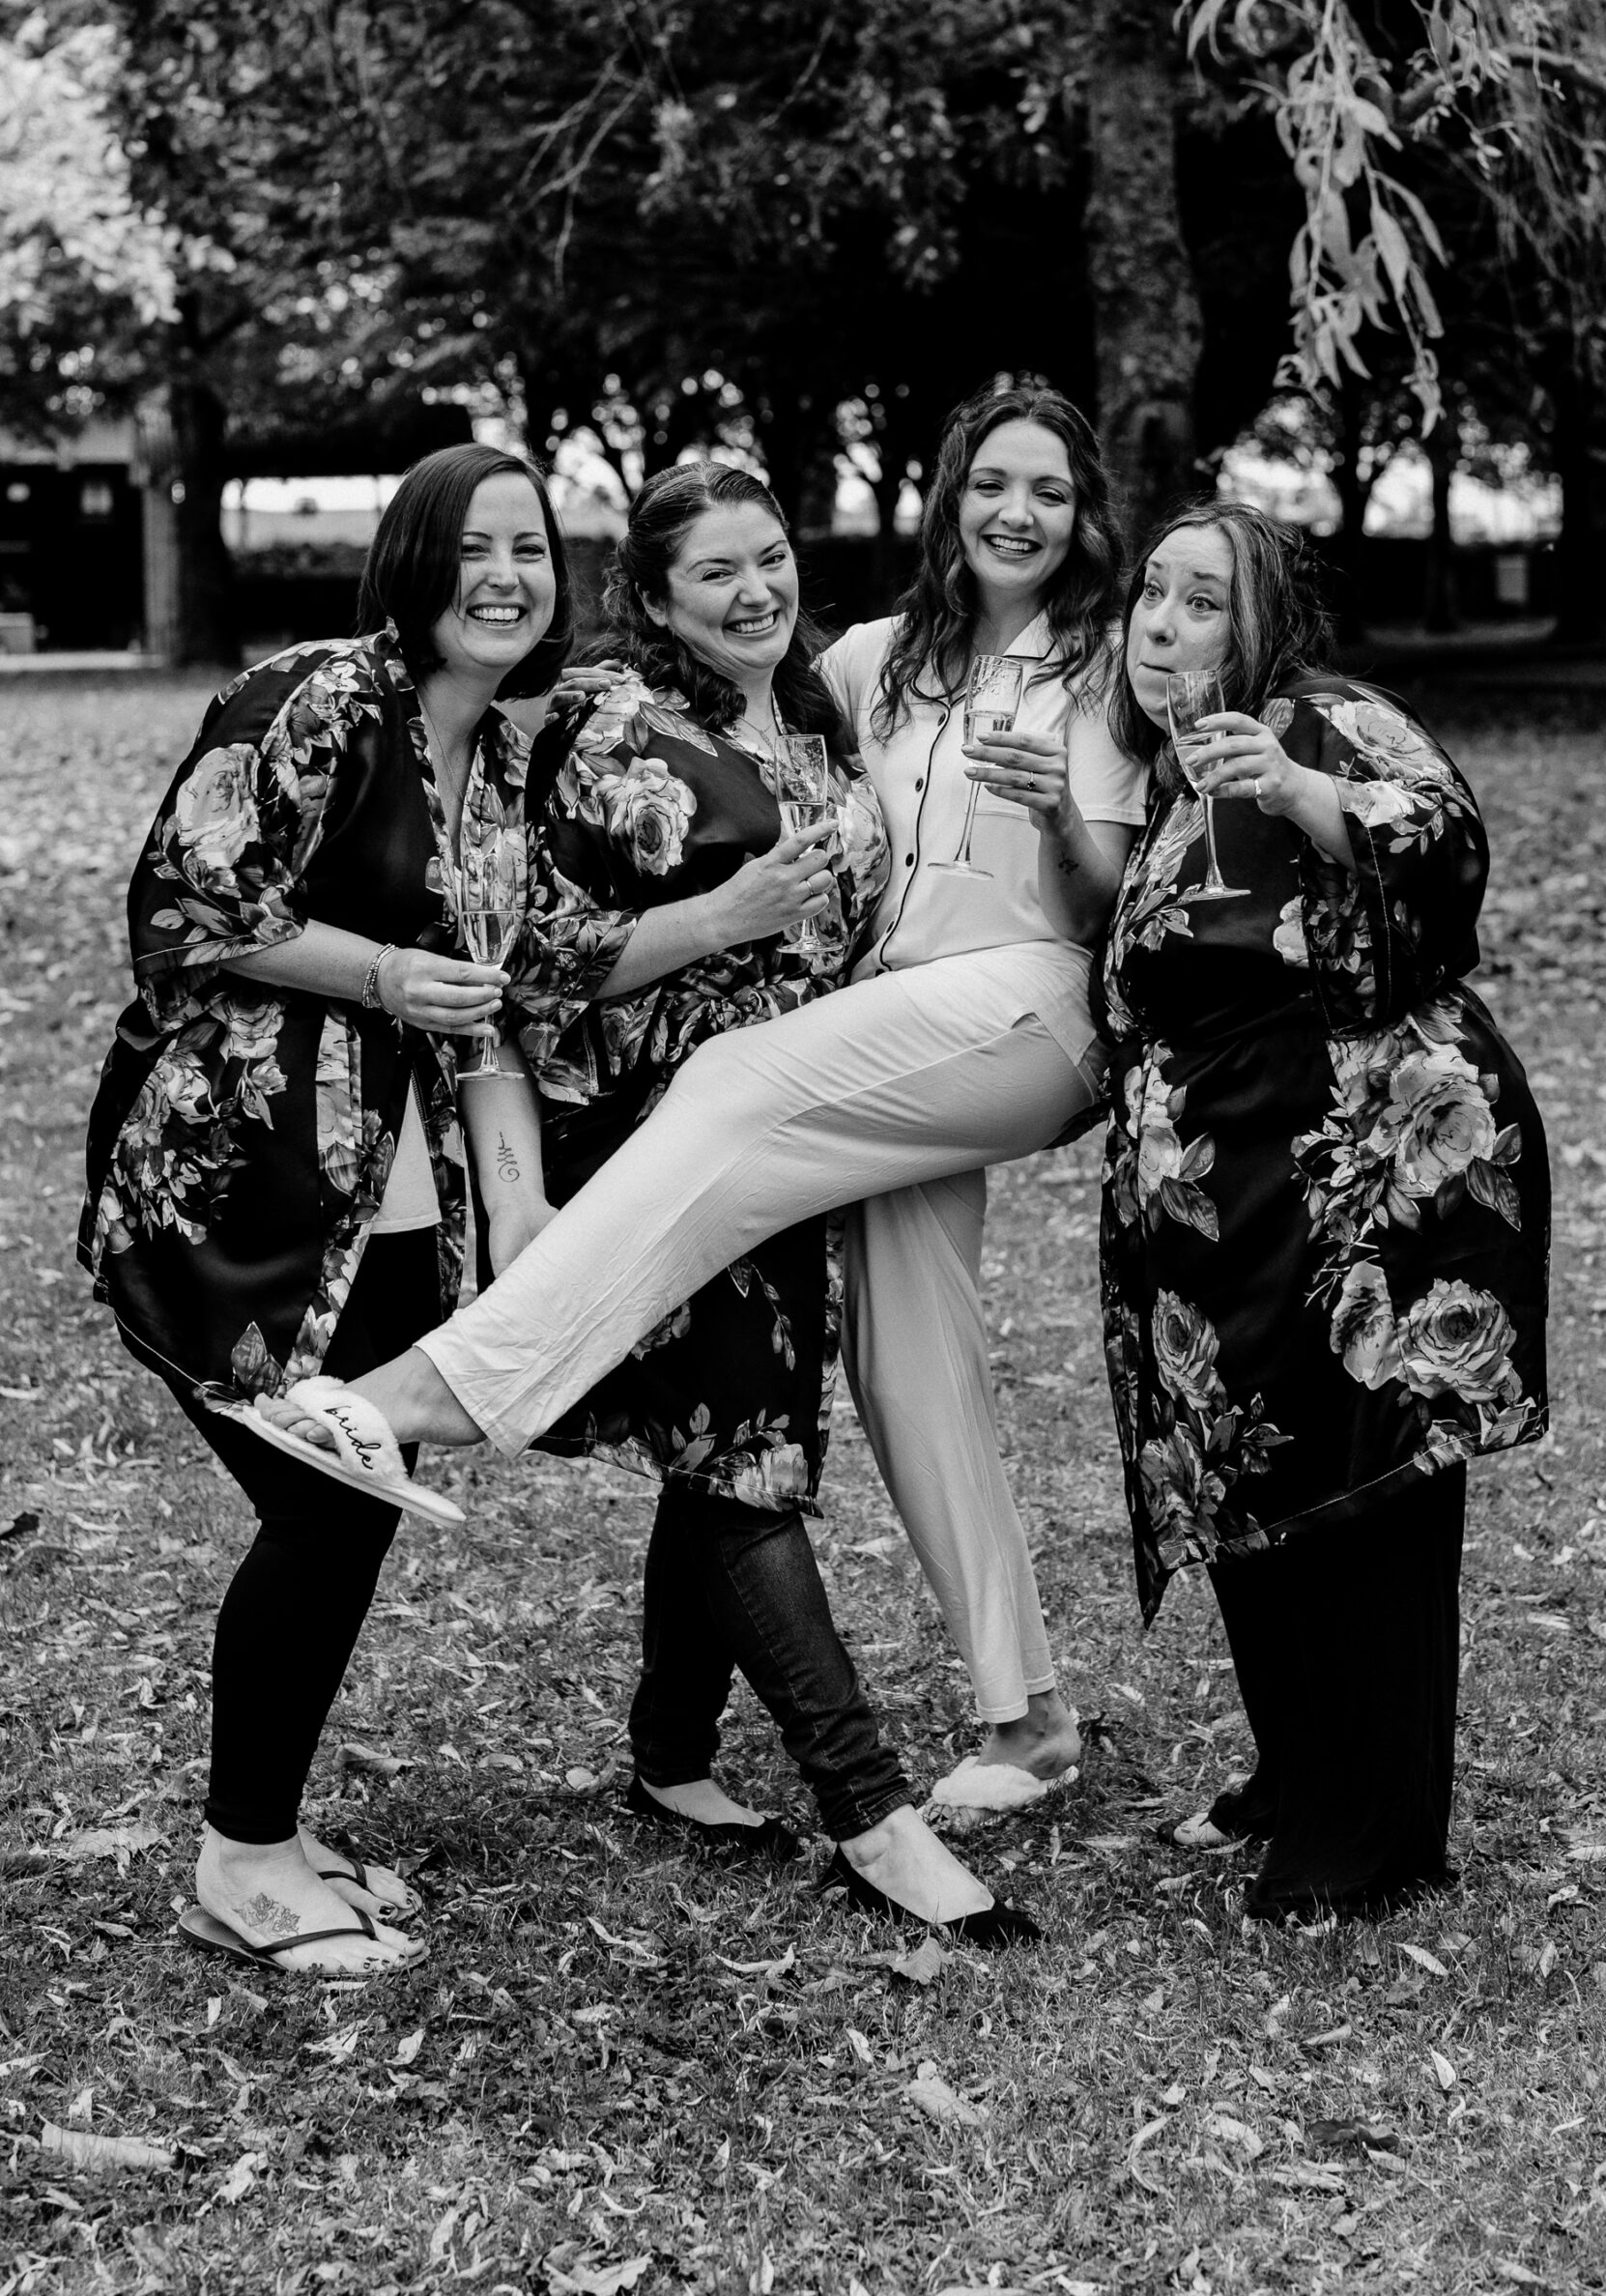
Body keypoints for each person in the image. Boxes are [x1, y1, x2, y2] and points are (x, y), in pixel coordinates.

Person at [256, 382, 1147, 1838]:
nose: (1019, 514)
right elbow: (638, 749)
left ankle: (441, 1387)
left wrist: (1061, 811)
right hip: (883, 1050)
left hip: (1023, 1008)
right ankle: (1024, 1715)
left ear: (1086, 512)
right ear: (946, 499)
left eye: (1050, 490)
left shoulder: (1110, 667)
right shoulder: (865, 665)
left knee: (735, 1084)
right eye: (993, 483)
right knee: (911, 1358)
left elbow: (1121, 902)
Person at [467, 460, 1029, 1942]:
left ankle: (667, 1756)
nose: (755, 591)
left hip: (805, 1137)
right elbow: (530, 959)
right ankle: (872, 1813)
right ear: (653, 599)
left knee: (732, 1439)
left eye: (769, 558)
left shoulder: (821, 720)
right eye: (714, 573)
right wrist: (720, 916)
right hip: (668, 1137)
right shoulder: (611, 727)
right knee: (742, 1461)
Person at [78, 443, 569, 1975]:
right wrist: (379, 975)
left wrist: (526, 1208)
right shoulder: (314, 696)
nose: (506, 576)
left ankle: (275, 1833)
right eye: (477, 545)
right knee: (322, 1505)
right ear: (416, 558)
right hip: (240, 1187)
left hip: (399, 1201)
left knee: (349, 1516)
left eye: (533, 552)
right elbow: (183, 898)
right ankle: (239, 1855)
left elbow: (492, 1001)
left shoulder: (498, 756)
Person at [1092, 500, 1549, 1920]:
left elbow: (1445, 847)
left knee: (1359, 1493)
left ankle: (1368, 1837)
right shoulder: (1170, 764)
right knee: (1254, 1477)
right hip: (1232, 1193)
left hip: (1373, 1181)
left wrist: (1299, 789)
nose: (1165, 623)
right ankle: (1300, 1771)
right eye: (1151, 595)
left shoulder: (1329, 716)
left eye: (1203, 601)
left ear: (1267, 619)